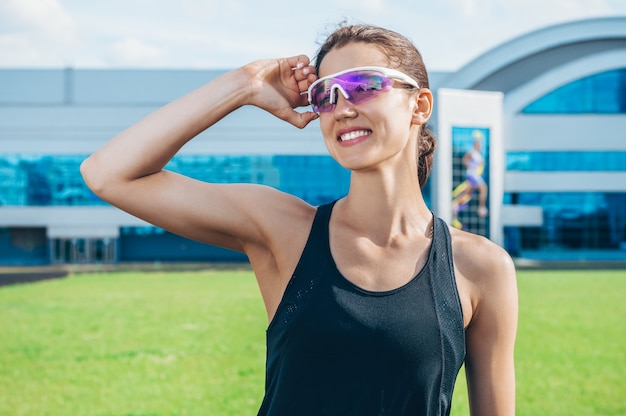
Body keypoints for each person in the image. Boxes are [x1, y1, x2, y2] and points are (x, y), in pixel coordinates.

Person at [81, 23, 518, 416]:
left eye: (364, 85)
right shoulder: (284, 230)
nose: (343, 107)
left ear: (419, 105)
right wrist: (245, 84)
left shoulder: (480, 267)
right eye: (326, 94)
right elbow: (108, 173)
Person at [451, 135, 489, 229]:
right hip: (473, 175)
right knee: (483, 188)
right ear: (475, 144)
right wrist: (470, 166)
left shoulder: (479, 155)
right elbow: (465, 159)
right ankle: (481, 207)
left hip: (475, 175)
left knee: (467, 194)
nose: (479, 146)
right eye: (478, 144)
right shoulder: (472, 153)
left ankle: (456, 205)